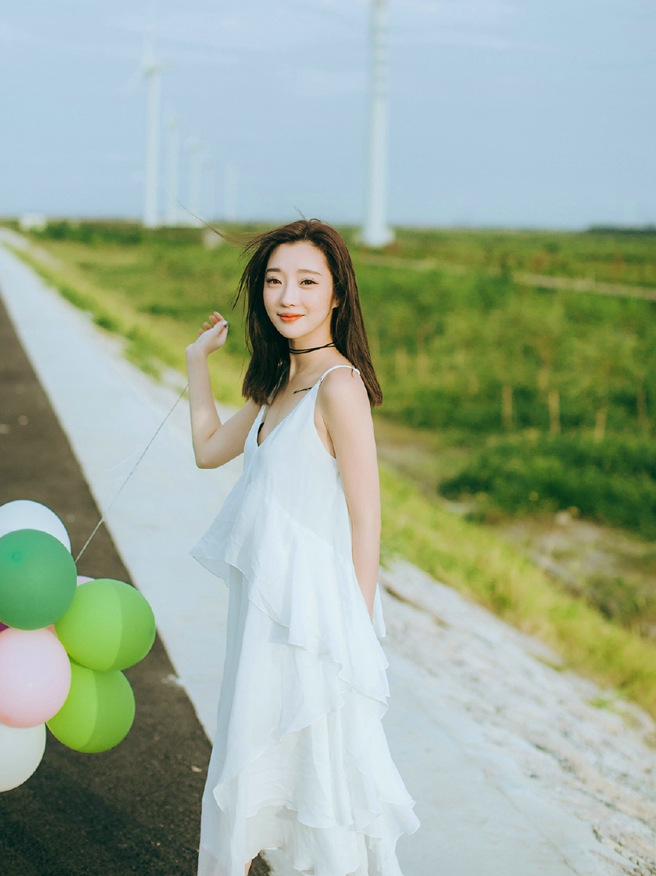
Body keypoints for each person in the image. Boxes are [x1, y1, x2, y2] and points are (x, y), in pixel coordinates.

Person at [187, 218, 419, 876]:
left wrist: (357, 636)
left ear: (337, 295)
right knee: (252, 765)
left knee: (322, 787)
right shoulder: (276, 385)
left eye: (307, 281)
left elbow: (366, 518)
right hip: (262, 619)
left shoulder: (338, 388)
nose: (287, 295)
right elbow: (207, 450)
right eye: (274, 280)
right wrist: (195, 363)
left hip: (318, 624)